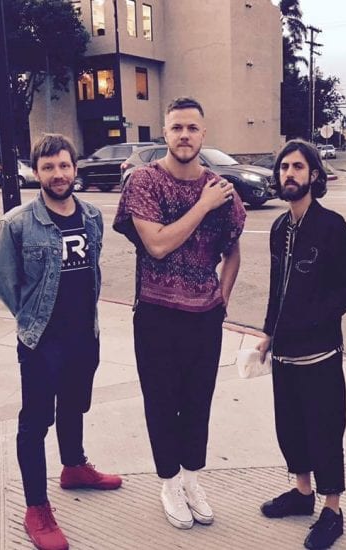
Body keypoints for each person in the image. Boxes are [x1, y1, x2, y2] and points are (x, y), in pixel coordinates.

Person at [113, 97, 246, 530]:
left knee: (197, 402)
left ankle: (192, 480)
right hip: (156, 314)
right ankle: (169, 483)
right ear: (165, 133)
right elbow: (156, 244)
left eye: (192, 128)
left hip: (204, 317)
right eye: (176, 128)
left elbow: (233, 251)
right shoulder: (144, 181)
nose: (184, 135)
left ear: (203, 133)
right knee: (161, 401)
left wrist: (221, 298)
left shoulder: (223, 190)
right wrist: (202, 205)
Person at [0, 134, 122, 550]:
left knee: (74, 405)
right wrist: (31, 321)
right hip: (42, 342)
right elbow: (5, 282)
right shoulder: (17, 224)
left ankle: (74, 466)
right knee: (35, 423)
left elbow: (92, 272)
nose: (58, 174)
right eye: (48, 167)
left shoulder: (92, 216)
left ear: (75, 168)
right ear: (36, 172)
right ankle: (37, 507)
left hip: (84, 334)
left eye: (64, 165)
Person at [256, 139, 346, 550]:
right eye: (284, 167)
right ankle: (302, 493)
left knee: (325, 431)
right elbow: (276, 287)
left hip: (319, 353)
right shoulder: (279, 227)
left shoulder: (331, 226)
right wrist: (269, 332)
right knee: (291, 427)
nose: (289, 174)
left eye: (297, 167)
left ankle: (332, 510)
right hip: (284, 353)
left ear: (314, 175)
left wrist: (313, 318)